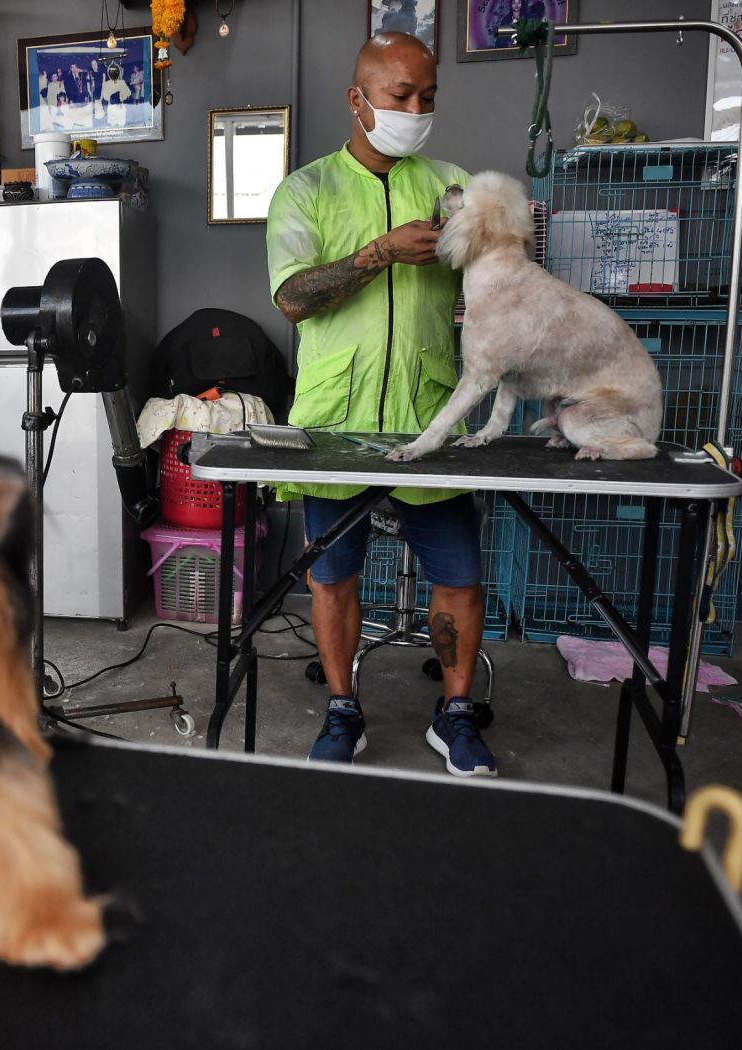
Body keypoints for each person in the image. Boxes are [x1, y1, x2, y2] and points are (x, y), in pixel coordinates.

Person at [266, 32, 496, 777]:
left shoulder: (453, 182)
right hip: (335, 417)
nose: (416, 110)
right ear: (357, 99)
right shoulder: (306, 191)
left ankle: (455, 714)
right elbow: (293, 299)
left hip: (428, 418)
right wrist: (379, 252)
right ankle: (342, 708)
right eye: (401, 96)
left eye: (428, 98)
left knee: (458, 577)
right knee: (331, 577)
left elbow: (499, 284)